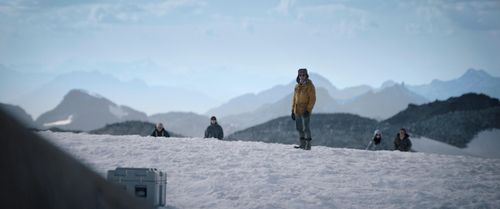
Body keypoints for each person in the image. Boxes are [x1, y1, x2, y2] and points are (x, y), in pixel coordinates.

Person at [291, 68, 316, 150]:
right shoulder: (297, 86)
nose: (302, 76)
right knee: (299, 128)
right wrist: (292, 110)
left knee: (306, 128)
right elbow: (294, 99)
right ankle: (302, 144)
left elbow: (312, 99)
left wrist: (308, 110)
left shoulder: (310, 86)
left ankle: (308, 145)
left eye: (303, 75)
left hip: (305, 110)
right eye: (300, 75)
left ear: (306, 75)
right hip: (297, 110)